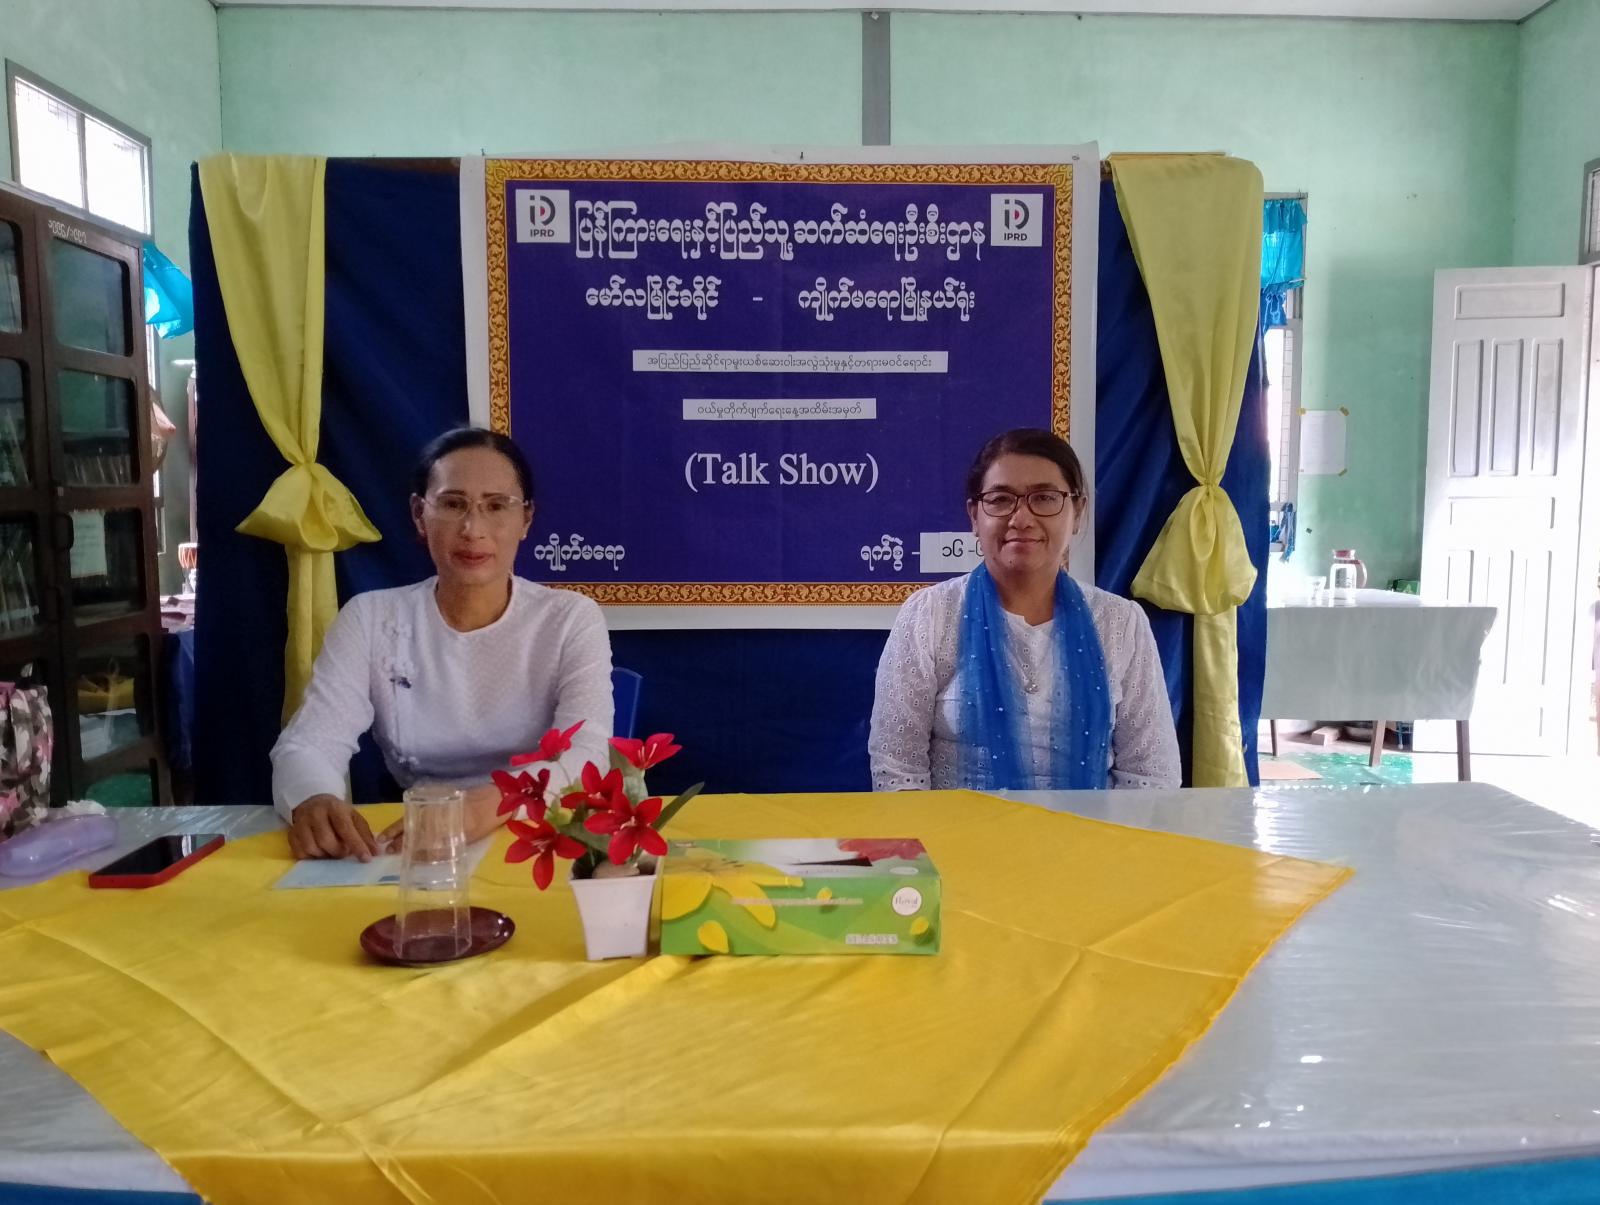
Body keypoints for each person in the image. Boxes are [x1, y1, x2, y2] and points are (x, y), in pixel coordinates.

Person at [272, 427, 614, 859]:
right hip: (420, 839)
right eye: (453, 504)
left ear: (526, 520)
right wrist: (313, 797)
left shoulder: (569, 618)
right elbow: (308, 743)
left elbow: (588, 753)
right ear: (420, 514)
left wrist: (487, 806)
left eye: (496, 506)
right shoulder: (372, 618)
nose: (473, 529)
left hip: (537, 833)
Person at [869, 428, 1180, 792]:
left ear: (1078, 512)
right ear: (974, 516)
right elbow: (898, 772)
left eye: (1045, 498)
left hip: (1090, 829)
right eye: (1001, 499)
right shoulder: (930, 616)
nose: (1021, 518)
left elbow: (1150, 776)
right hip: (958, 829)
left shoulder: (1120, 622)